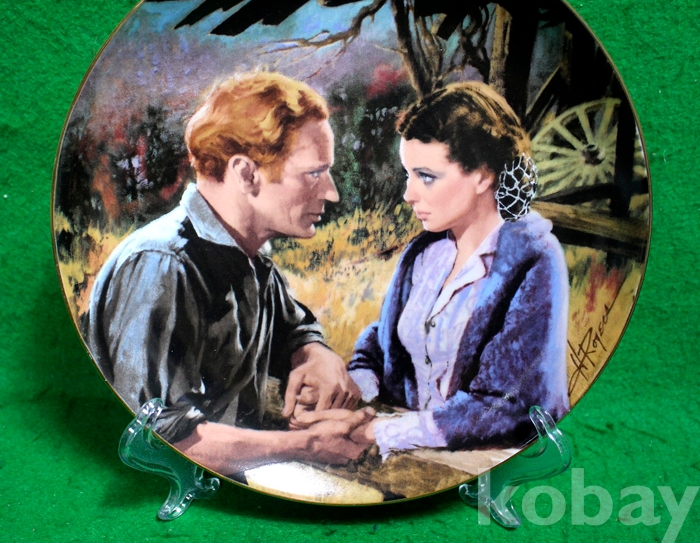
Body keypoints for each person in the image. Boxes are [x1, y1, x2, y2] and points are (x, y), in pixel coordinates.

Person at [85, 71, 369, 476]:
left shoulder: (249, 258)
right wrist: (307, 446)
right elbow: (157, 437)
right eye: (313, 173)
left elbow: (294, 331)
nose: (331, 192)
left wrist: (315, 355)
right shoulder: (163, 266)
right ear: (245, 174)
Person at [296, 81, 569, 458]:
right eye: (408, 174)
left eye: (426, 176)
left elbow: (510, 405)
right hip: (410, 452)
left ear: (483, 175)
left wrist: (376, 431)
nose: (409, 194)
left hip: (493, 463)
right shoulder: (426, 254)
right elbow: (384, 340)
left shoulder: (533, 258)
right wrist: (353, 387)